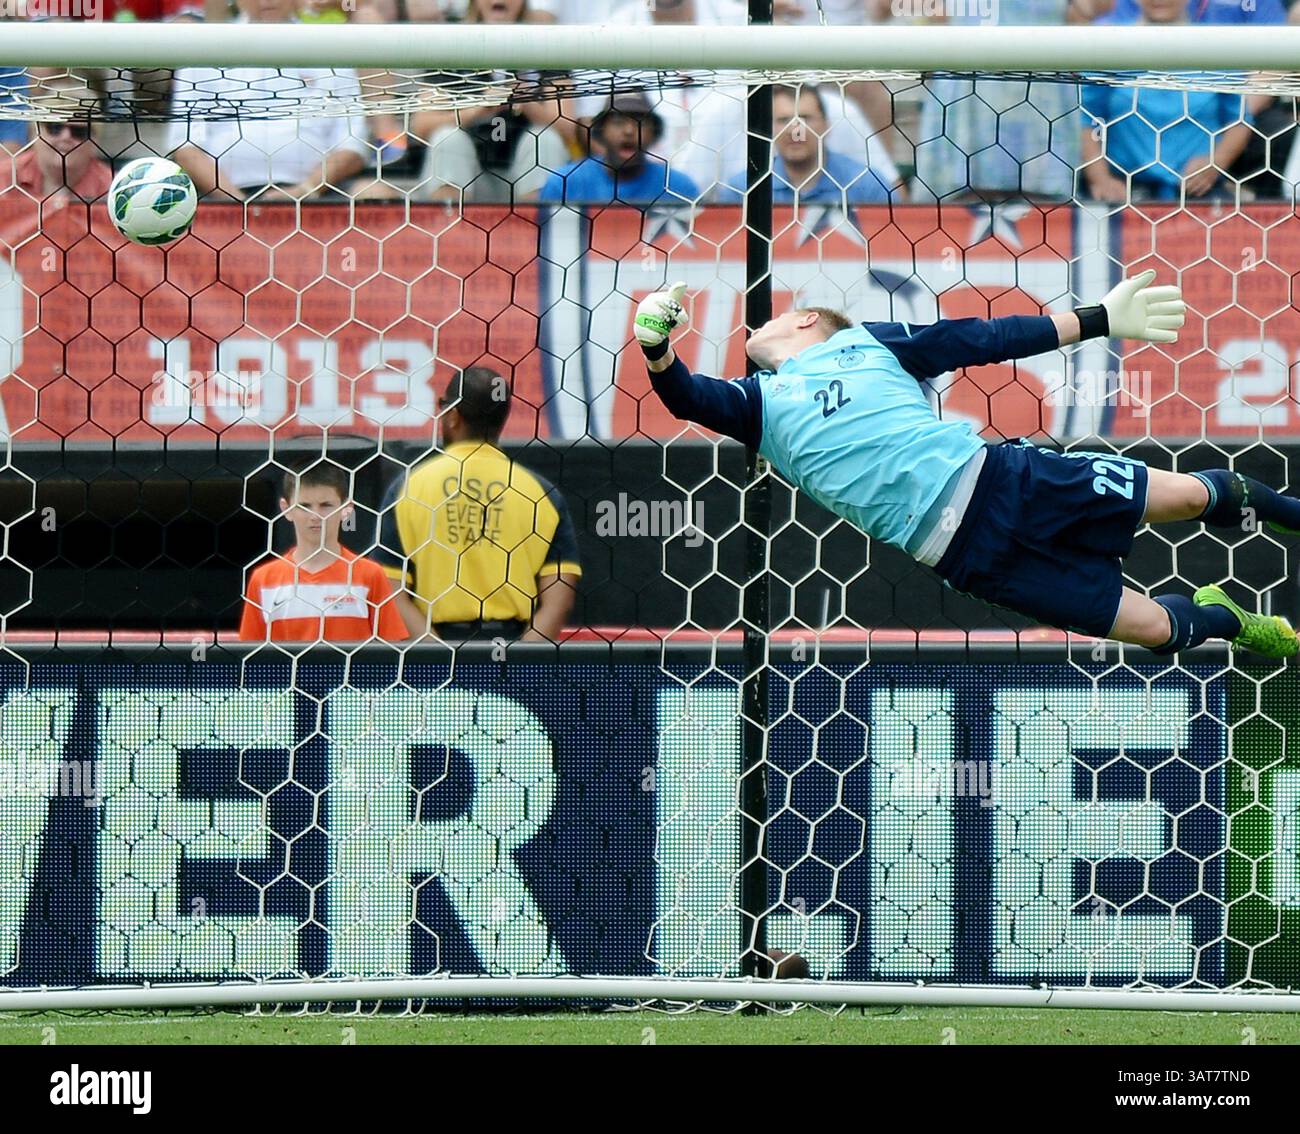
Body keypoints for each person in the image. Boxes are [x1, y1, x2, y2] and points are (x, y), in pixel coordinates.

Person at [633, 276, 1300, 658]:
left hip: (1007, 481)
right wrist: (658, 347)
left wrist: (1100, 318)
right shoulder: (759, 407)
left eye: (778, 314)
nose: (759, 328)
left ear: (808, 320)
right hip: (968, 556)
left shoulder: (870, 345)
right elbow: (687, 395)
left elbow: (983, 340)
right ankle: (1230, 620)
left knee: (1187, 498)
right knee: (1160, 629)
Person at [377, 366, 582, 642]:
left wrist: (435, 657)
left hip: (435, 649)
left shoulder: (408, 488)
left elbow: (390, 594)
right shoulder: (541, 494)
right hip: (512, 645)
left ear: (452, 416)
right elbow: (559, 599)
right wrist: (522, 659)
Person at [165, 0, 373, 202]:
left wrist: (305, 189)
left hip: (316, 195)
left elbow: (352, 145)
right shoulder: (204, 51)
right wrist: (235, 200)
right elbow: (186, 146)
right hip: (220, 199)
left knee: (376, 192)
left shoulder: (330, 49)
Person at [1080, 0, 1252, 202]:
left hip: (1198, 193)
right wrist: (1100, 177)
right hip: (1125, 191)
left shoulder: (1216, 46)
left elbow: (1239, 120)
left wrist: (1215, 162)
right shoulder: (1111, 45)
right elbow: (1087, 119)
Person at [413, 0, 575, 205]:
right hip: (470, 179)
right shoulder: (451, 46)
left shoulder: (547, 46)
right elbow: (421, 128)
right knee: (447, 138)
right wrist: (479, 108)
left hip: (523, 179)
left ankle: (537, 230)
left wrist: (525, 101)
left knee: (545, 139)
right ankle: (449, 229)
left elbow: (569, 130)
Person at [240, 462, 408, 643]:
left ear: (347, 509)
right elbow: (250, 656)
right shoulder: (264, 580)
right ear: (286, 509)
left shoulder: (369, 575)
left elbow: (391, 653)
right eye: (304, 506)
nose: (315, 515)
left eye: (326, 505)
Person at [719, 85, 898, 205]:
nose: (795, 130)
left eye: (805, 118)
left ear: (826, 125)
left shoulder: (868, 185)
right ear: (769, 129)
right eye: (784, 120)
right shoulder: (743, 189)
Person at [538, 93, 699, 206]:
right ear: (600, 130)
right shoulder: (564, 183)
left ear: (654, 133)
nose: (629, 130)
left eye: (640, 121)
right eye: (618, 121)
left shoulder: (678, 187)